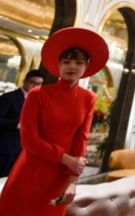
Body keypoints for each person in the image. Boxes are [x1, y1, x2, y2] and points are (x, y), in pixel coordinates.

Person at [0, 27, 109, 215]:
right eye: (66, 61)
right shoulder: (38, 95)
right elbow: (29, 140)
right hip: (30, 172)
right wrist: (66, 159)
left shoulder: (88, 98)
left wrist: (72, 181)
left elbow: (80, 140)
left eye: (79, 62)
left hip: (60, 177)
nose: (72, 66)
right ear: (58, 64)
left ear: (86, 67)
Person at [0, 69, 45, 177]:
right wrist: (18, 124)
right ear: (24, 81)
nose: (35, 86)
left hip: (24, 150)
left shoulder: (40, 102)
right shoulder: (9, 97)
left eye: (38, 84)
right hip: (5, 148)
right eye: (32, 82)